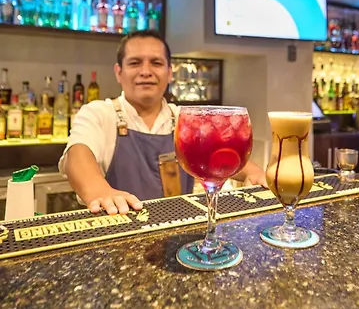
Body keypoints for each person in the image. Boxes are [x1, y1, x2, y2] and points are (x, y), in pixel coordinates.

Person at [59, 30, 267, 215]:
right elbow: (76, 156)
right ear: (119, 72)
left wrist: (254, 173)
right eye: (134, 63)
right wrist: (100, 192)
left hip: (180, 234)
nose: (146, 71)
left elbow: (218, 155)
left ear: (169, 73)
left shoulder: (185, 117)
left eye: (156, 63)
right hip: (120, 231)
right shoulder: (99, 113)